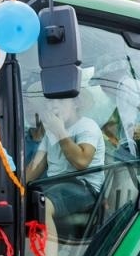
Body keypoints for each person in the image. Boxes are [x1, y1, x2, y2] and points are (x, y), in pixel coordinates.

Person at [24, 90, 103, 220]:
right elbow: (35, 166)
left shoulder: (87, 126)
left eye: (61, 100)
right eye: (50, 100)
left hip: (83, 187)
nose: (54, 105)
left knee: (42, 206)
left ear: (75, 103)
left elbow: (82, 162)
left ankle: (49, 242)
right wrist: (15, 188)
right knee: (20, 203)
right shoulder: (50, 131)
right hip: (53, 184)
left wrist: (60, 131)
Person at [81, 50, 140, 171]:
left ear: (111, 76)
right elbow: (109, 126)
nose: (102, 87)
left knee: (101, 161)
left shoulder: (128, 85)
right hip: (132, 151)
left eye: (102, 82)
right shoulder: (121, 95)